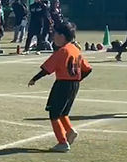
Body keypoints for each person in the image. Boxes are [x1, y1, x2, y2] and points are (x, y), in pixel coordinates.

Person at [27, 20, 92, 152]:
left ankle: (62, 142)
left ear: (62, 36)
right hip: (74, 85)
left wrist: (34, 79)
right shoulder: (75, 49)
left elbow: (46, 69)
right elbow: (87, 69)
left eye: (55, 34)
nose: (53, 37)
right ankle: (70, 131)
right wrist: (77, 79)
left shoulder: (62, 51)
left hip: (62, 85)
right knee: (63, 112)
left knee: (54, 114)